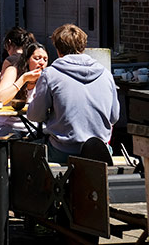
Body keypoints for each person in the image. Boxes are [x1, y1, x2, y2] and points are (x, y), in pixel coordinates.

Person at [30, 24, 119, 164]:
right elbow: (114, 117)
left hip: (63, 150)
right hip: (100, 153)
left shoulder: (50, 74)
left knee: (24, 152)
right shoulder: (106, 74)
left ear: (58, 49)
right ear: (83, 47)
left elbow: (35, 115)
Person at [0, 42, 48, 138]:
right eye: (37, 58)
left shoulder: (45, 79)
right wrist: (23, 79)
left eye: (45, 60)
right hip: (3, 126)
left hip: (31, 127)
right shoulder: (13, 71)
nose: (41, 62)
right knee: (13, 138)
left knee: (49, 135)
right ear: (27, 60)